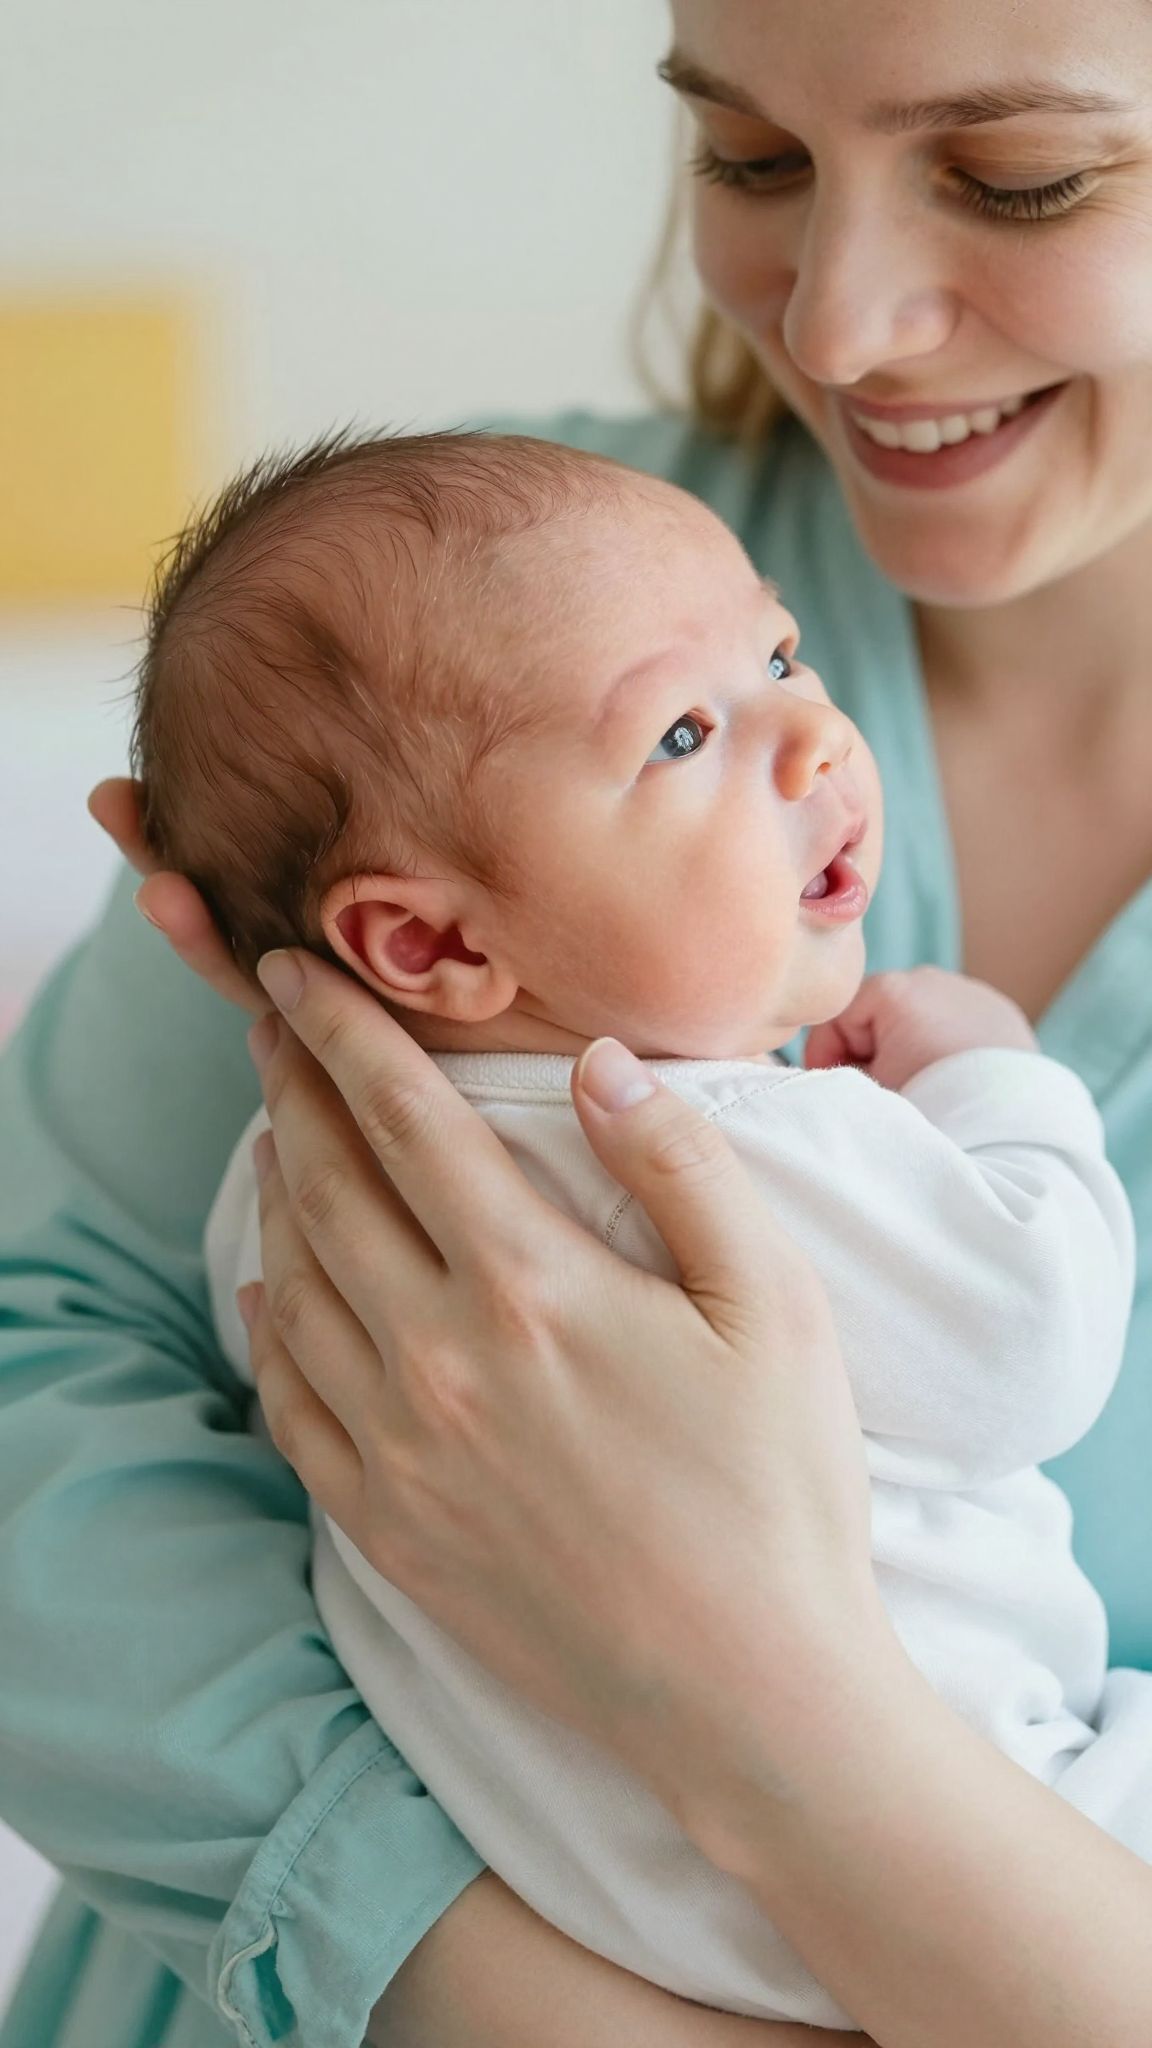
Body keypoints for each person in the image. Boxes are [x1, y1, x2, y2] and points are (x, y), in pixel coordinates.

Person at [3, 0, 1152, 2042]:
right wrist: (474, 1980)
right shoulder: (471, 611)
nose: (842, 327)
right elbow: (45, 1377)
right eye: (753, 162)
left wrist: (746, 1669)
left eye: (1017, 180)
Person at [145, 421, 1138, 2025]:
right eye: (684, 734)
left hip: (604, 1907)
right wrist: (993, 1078)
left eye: (781, 655)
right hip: (986, 1839)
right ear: (424, 938)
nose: (811, 736)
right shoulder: (727, 1143)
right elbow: (1032, 1339)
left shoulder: (286, 1177)